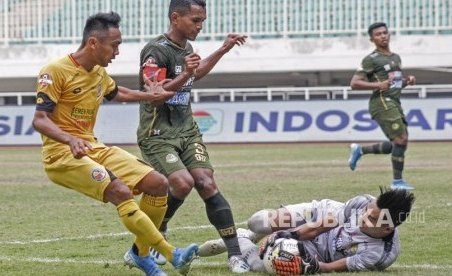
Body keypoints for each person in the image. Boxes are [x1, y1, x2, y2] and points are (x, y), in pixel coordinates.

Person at [32, 11, 199, 276]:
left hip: (92, 148)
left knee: (158, 184)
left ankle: (139, 254)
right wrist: (70, 139)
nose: (118, 51)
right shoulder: (55, 71)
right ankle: (171, 253)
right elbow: (40, 120)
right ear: (93, 43)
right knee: (120, 191)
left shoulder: (98, 73)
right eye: (115, 45)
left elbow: (118, 92)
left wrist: (151, 94)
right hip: (62, 155)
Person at [136, 0, 249, 273]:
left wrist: (223, 49)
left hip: (187, 130)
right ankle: (158, 231)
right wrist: (186, 72)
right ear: (176, 18)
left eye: (202, 21)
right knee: (182, 183)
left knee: (205, 182)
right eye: (195, 20)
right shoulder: (154, 50)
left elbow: (193, 75)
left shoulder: (185, 47)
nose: (200, 26)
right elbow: (154, 96)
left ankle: (235, 254)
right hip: (158, 134)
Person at [198, 187, 415, 274]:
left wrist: (304, 264)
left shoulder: (380, 255)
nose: (363, 217)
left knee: (260, 265)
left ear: (388, 226)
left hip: (319, 253)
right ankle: (252, 233)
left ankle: (241, 239)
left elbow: (328, 267)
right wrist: (290, 234)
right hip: (316, 214)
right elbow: (323, 224)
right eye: (368, 210)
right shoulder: (362, 203)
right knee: (257, 222)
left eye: (371, 218)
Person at [348, 22, 416, 190]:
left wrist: (407, 81)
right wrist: (379, 85)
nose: (383, 36)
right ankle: (397, 182)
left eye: (385, 32)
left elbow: (394, 84)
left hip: (394, 102)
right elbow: (354, 83)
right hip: (381, 103)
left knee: (399, 144)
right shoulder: (371, 60)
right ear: (372, 39)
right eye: (378, 34)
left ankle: (360, 150)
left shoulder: (396, 57)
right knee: (400, 139)